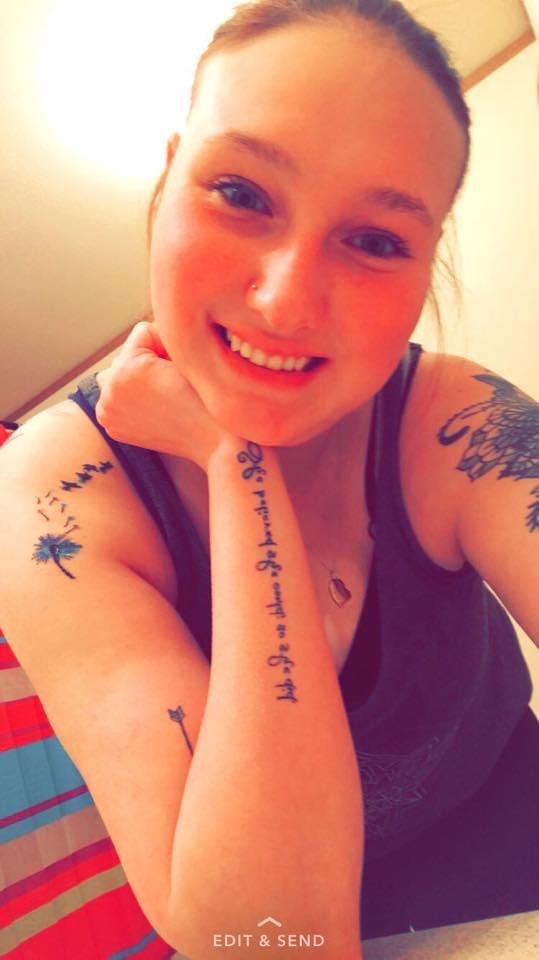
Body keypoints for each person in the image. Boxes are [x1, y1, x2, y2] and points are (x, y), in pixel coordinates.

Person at [1, 1, 537, 957]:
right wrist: (236, 468)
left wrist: (227, 451)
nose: (286, 301)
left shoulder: (455, 423)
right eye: (240, 193)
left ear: (425, 266)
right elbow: (264, 938)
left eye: (376, 240)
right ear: (167, 181)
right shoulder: (52, 491)